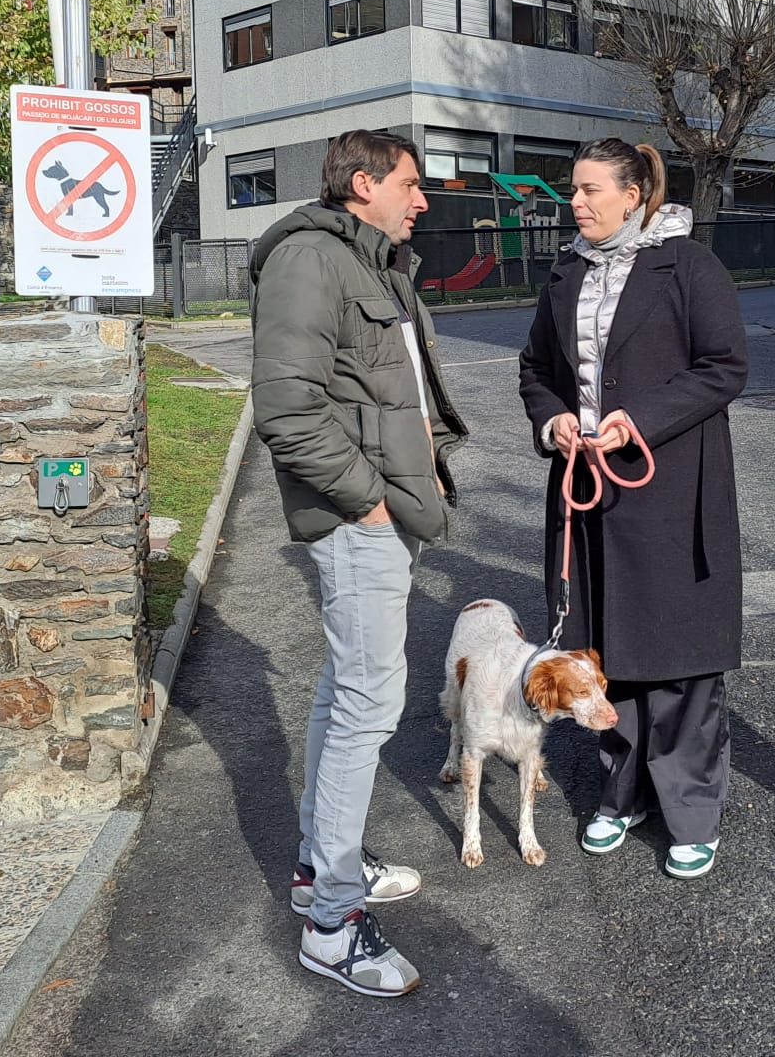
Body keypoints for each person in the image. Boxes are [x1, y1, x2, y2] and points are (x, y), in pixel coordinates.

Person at [249, 130, 469, 998]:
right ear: (364, 184)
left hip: (385, 511)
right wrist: (367, 500)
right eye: (411, 186)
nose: (422, 202)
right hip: (358, 517)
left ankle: (316, 867)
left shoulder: (371, 261)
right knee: (369, 704)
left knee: (348, 691)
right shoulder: (311, 259)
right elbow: (288, 410)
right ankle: (332, 925)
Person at [518, 139, 748, 879]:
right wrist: (553, 417)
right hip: (586, 492)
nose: (575, 203)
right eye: (573, 191)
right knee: (607, 649)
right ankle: (624, 790)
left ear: (633, 194)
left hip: (669, 488)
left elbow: (724, 367)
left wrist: (639, 420)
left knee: (677, 654)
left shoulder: (689, 265)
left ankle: (689, 809)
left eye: (589, 191)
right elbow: (535, 370)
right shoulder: (564, 273)